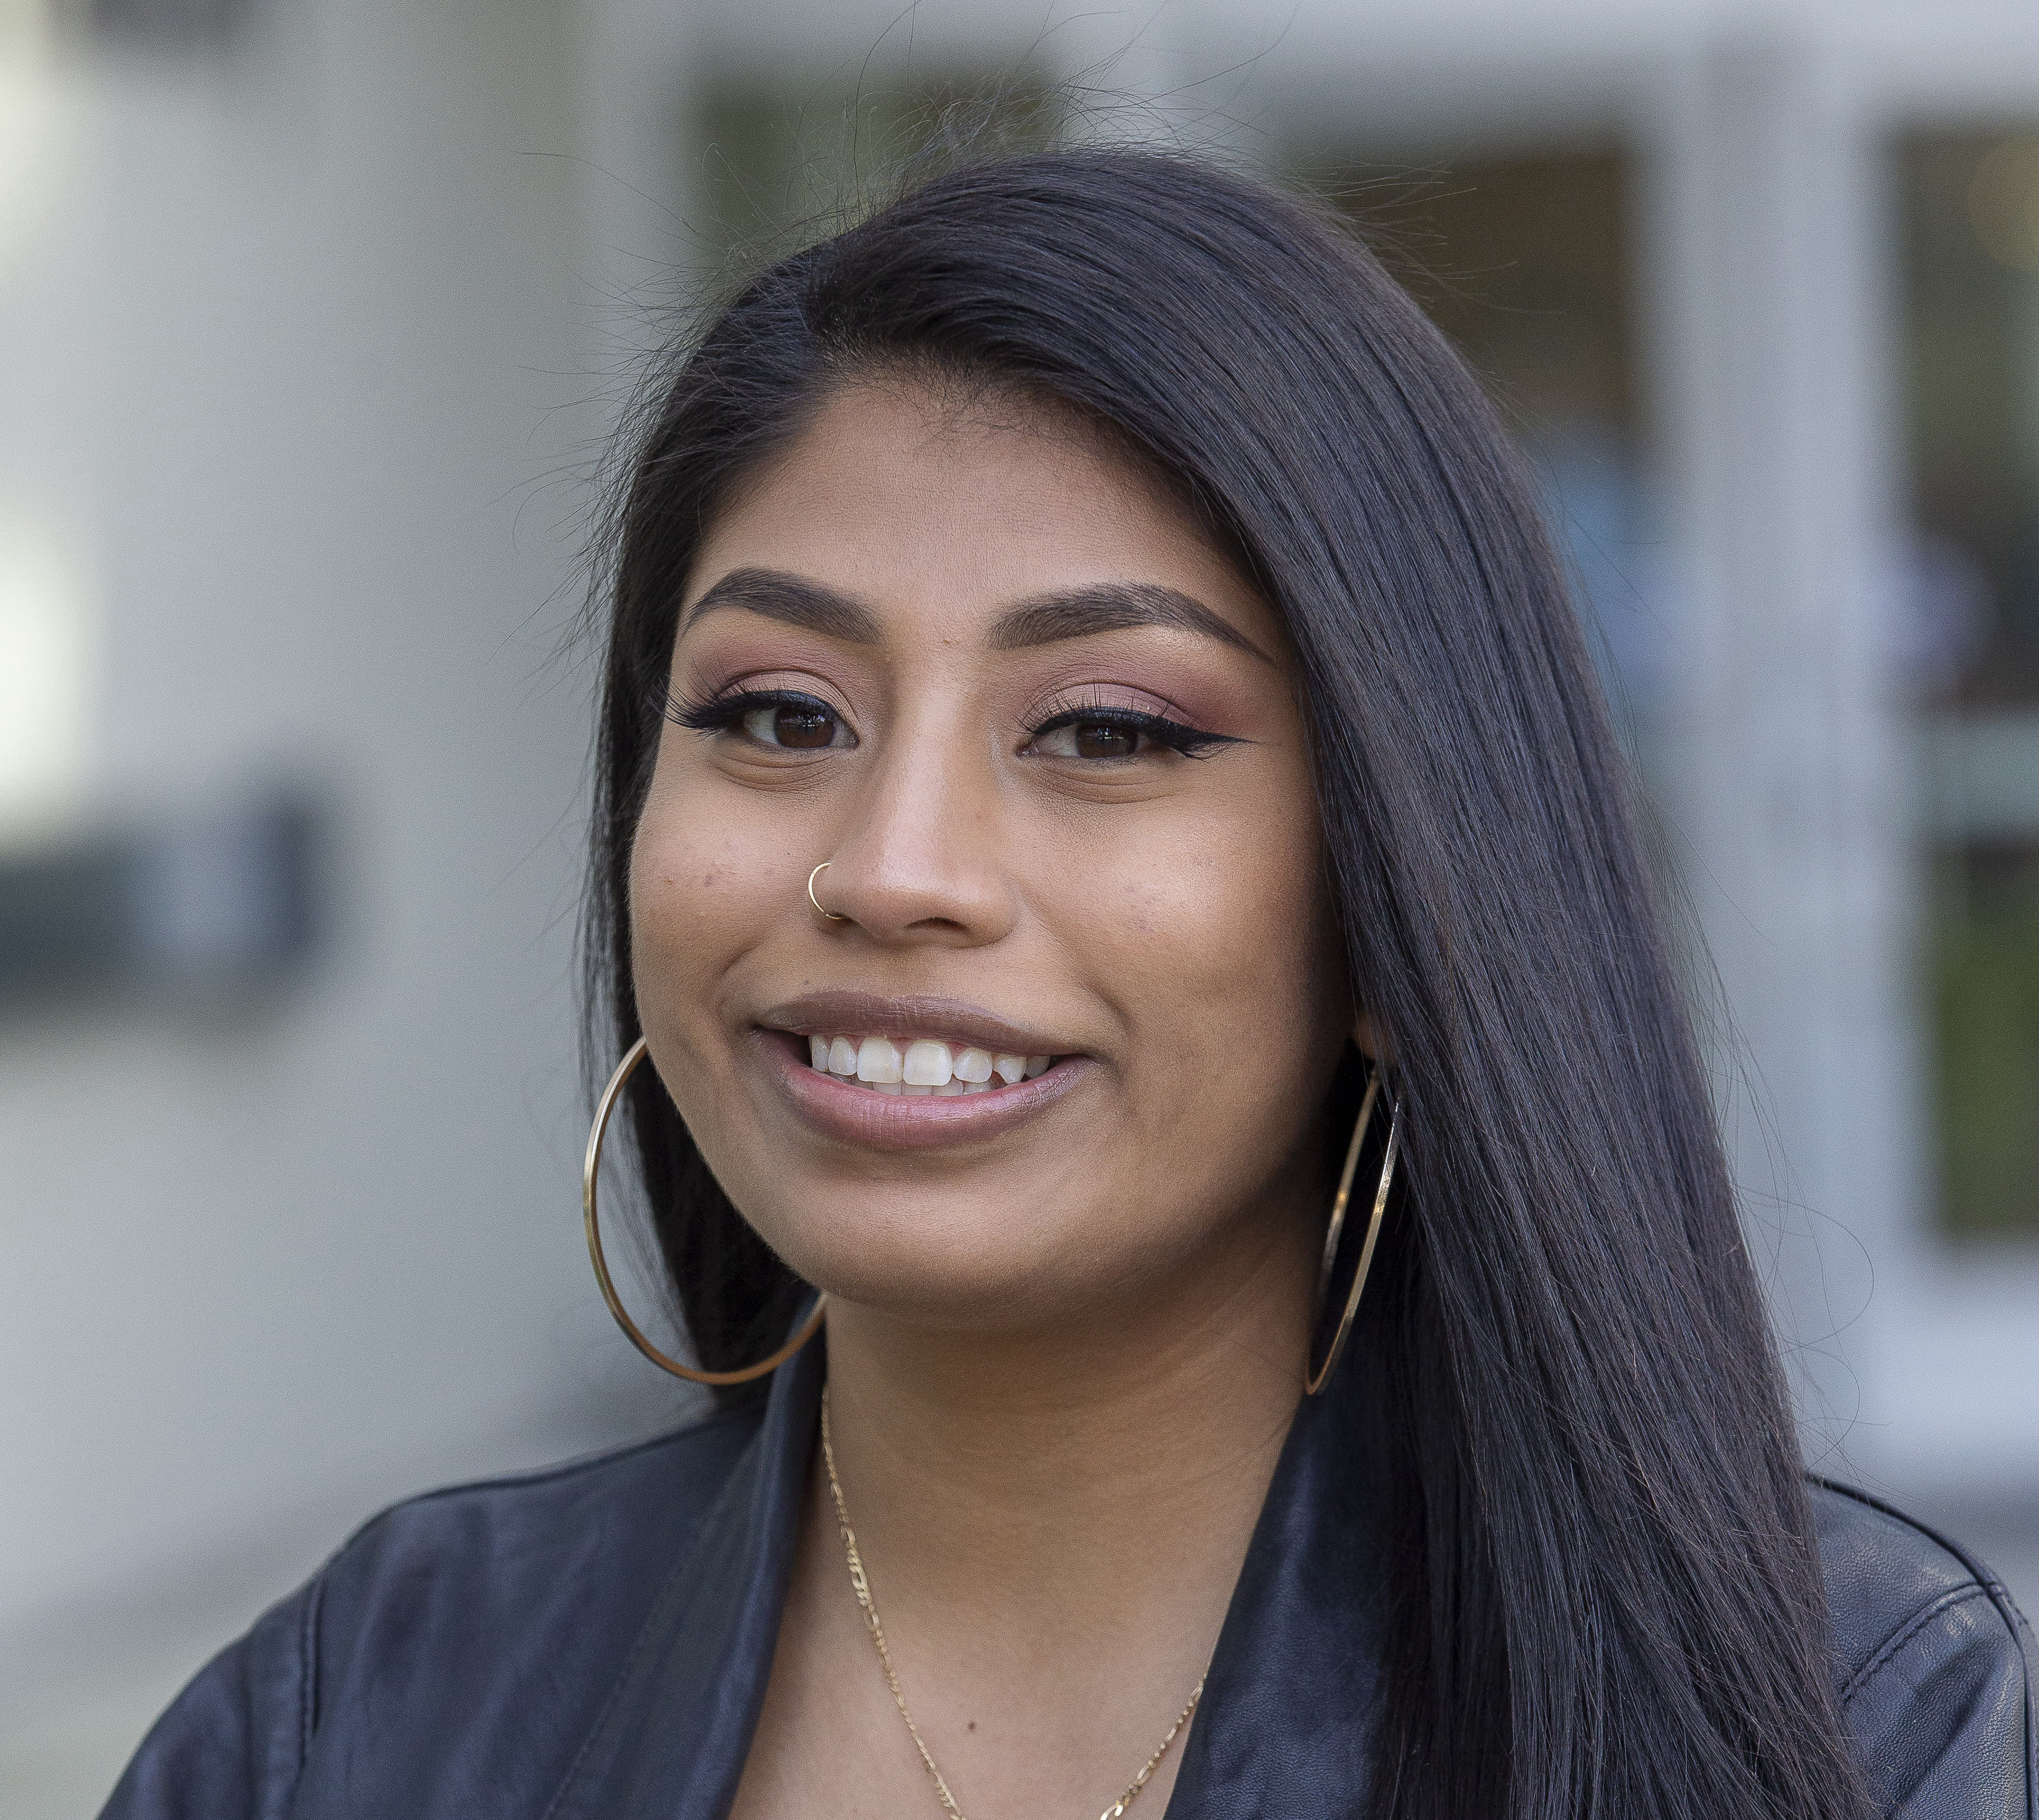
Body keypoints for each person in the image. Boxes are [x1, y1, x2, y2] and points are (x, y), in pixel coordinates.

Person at [103, 146, 2032, 1820]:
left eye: (1105, 730)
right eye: (778, 712)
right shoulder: (359, 1711)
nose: (892, 869)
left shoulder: (1844, 1720)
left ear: (1401, 898)